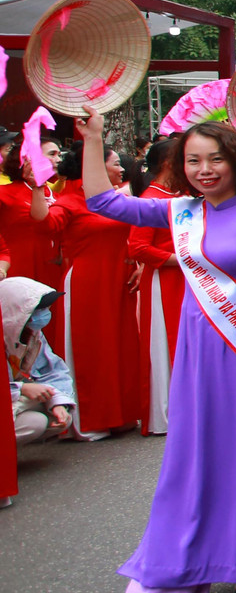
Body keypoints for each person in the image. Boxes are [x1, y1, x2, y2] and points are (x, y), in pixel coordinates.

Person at [78, 110, 236, 593]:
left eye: (215, 159)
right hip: (198, 352)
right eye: (193, 160)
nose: (204, 169)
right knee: (193, 454)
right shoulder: (180, 214)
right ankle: (170, 568)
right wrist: (92, 140)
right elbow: (104, 201)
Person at [53, 144, 142, 437]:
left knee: (121, 347)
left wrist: (138, 262)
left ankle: (121, 413)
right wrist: (37, 186)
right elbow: (43, 225)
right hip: (88, 284)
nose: (121, 169)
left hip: (120, 278)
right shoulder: (68, 201)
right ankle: (91, 418)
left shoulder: (112, 199)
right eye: (115, 163)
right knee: (94, 348)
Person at [126, 135, 185, 436]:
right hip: (164, 280)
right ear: (167, 163)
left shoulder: (181, 197)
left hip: (186, 278)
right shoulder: (151, 200)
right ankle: (165, 412)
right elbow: (137, 247)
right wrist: (181, 259)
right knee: (164, 343)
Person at [0, 140, 67, 355]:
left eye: (59, 154)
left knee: (55, 334)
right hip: (19, 273)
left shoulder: (56, 192)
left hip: (54, 272)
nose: (58, 159)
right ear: (27, 160)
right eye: (52, 154)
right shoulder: (5, 194)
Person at [4, 277, 75, 442]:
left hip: (13, 395)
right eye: (38, 309)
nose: (43, 314)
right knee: (33, 416)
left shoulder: (31, 333)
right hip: (11, 393)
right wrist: (21, 389)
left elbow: (52, 370)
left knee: (52, 418)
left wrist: (58, 403)